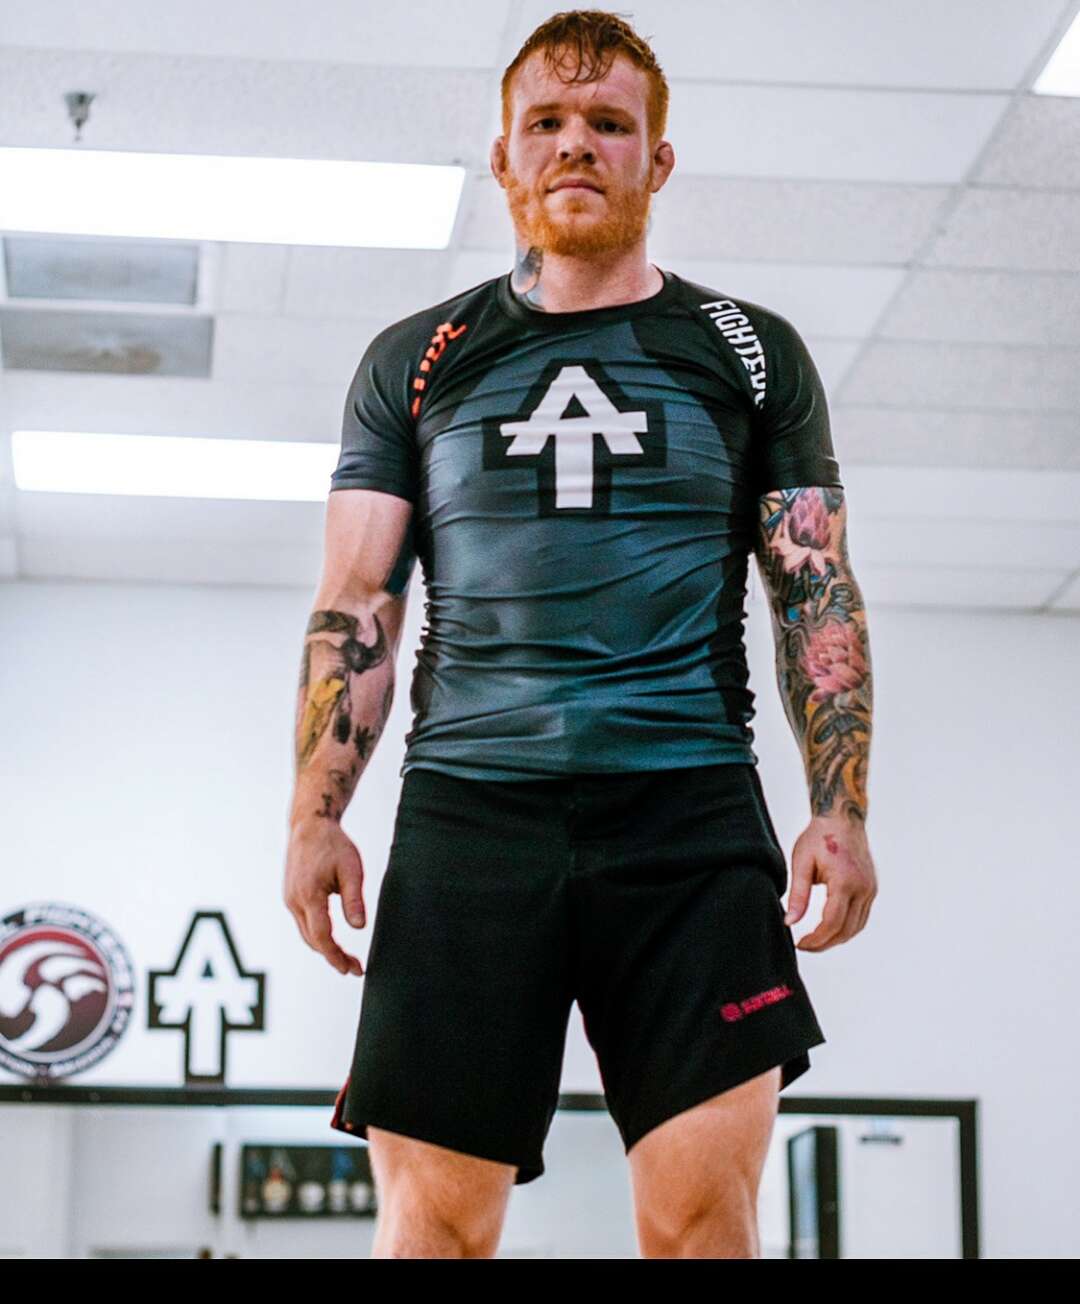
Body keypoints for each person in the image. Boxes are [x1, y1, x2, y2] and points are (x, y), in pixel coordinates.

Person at [284, 8, 878, 1260]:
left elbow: (814, 588)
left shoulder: (749, 353)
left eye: (608, 123)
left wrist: (841, 806)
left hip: (687, 816)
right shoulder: (416, 358)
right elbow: (358, 602)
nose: (575, 145)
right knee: (434, 1225)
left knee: (703, 1219)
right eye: (545, 123)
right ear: (503, 156)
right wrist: (313, 816)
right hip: (469, 817)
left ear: (657, 160)